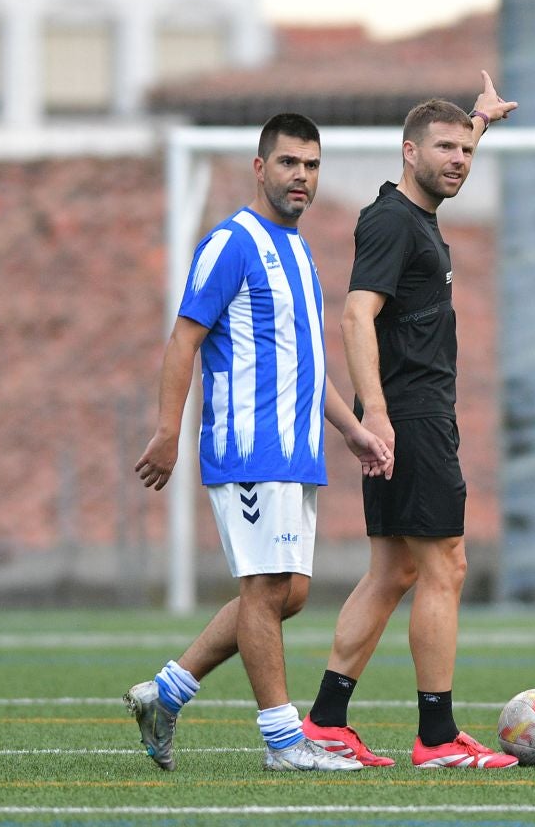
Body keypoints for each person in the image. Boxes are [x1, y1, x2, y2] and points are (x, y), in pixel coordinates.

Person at [125, 112, 393, 773]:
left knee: (286, 595)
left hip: (294, 451)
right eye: (289, 163)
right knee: (266, 588)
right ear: (260, 167)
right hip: (249, 445)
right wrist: (168, 432)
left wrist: (352, 429)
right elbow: (184, 338)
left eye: (311, 165)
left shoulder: (298, 251)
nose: (301, 176)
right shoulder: (231, 243)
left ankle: (165, 692)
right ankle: (283, 742)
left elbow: (306, 362)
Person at [300, 72, 520, 769]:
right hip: (412, 414)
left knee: (392, 569)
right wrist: (381, 414)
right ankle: (436, 737)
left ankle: (327, 723)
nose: (459, 159)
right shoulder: (394, 220)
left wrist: (480, 119)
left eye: (468, 150)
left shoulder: (413, 210)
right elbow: (356, 313)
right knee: (445, 567)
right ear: (407, 152)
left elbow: (458, 139)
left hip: (415, 413)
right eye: (446, 148)